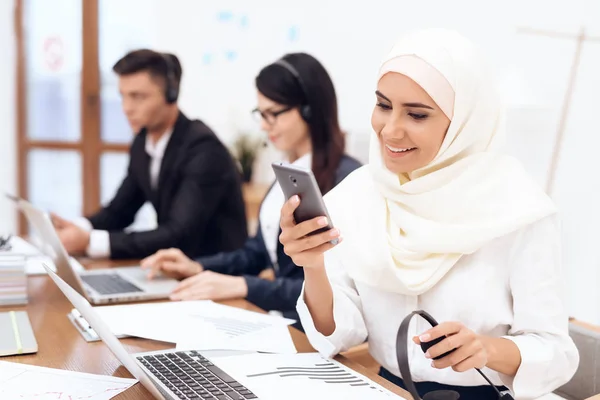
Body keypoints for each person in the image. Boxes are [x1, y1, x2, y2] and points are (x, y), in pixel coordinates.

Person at [278, 29, 579, 399]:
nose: (390, 130)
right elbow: (340, 332)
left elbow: (557, 353)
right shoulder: (359, 195)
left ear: (463, 123)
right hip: (382, 388)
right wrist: (313, 265)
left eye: (417, 114)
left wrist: (487, 348)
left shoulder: (520, 212)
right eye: (383, 105)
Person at [140, 53, 361, 325]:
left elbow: (337, 287)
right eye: (261, 114)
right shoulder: (292, 170)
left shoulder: (348, 180)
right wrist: (197, 267)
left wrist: (243, 286)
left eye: (274, 114)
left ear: (309, 110)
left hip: (316, 332)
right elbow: (256, 253)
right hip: (278, 321)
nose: (264, 125)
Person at [51, 49, 248, 260]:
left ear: (171, 95)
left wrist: (91, 241)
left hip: (214, 274)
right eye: (123, 96)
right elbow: (120, 210)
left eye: (137, 97)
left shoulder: (204, 149)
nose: (126, 108)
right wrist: (80, 228)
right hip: (172, 269)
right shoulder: (142, 142)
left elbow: (178, 234)